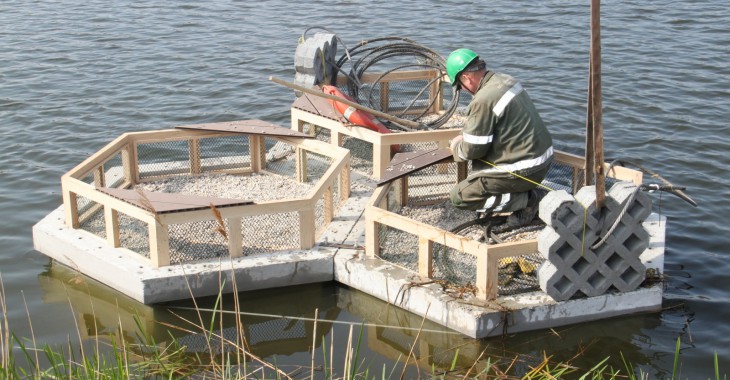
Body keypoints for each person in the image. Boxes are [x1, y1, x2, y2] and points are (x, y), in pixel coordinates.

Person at [445, 48, 554, 226]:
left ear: (466, 77)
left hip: (524, 170)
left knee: (460, 197)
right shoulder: (506, 80)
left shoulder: (483, 99)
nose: (463, 90)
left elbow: (473, 150)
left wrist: (456, 146)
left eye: (460, 86)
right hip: (544, 162)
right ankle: (525, 195)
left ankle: (529, 200)